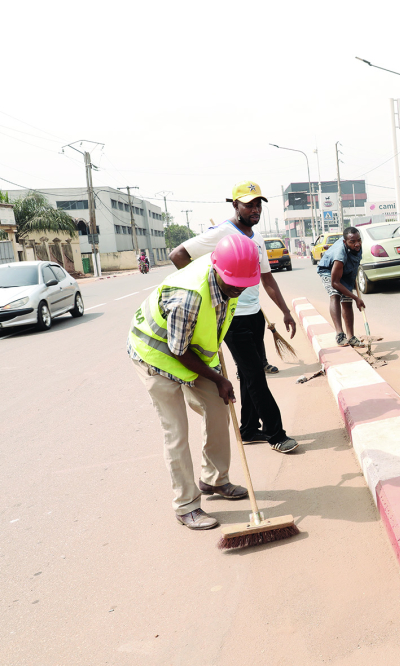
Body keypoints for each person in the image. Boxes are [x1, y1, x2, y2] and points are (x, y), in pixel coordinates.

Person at [128, 234, 258, 530]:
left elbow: (209, 329)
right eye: (234, 283)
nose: (239, 288)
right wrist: (218, 378)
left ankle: (214, 479)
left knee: (217, 407)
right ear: (218, 270)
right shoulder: (189, 296)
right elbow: (178, 351)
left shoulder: (231, 283)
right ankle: (186, 505)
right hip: (155, 355)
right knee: (176, 431)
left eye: (244, 283)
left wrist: (216, 378)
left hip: (188, 351)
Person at [168, 180, 299, 454]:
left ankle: (249, 429)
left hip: (254, 316)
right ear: (235, 205)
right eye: (249, 204)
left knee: (247, 374)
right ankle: (276, 434)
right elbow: (178, 255)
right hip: (232, 319)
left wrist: (285, 311)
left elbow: (267, 279)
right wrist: (206, 288)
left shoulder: (258, 238)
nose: (255, 209)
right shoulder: (221, 233)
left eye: (258, 204)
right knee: (256, 375)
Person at [317, 227, 365, 347]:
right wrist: (356, 298)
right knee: (335, 295)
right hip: (329, 271)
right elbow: (335, 283)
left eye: (358, 240)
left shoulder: (358, 246)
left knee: (347, 301)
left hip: (346, 272)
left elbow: (354, 265)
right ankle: (340, 334)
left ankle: (351, 337)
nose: (357, 244)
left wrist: (352, 285)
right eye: (352, 242)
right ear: (345, 242)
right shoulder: (340, 254)